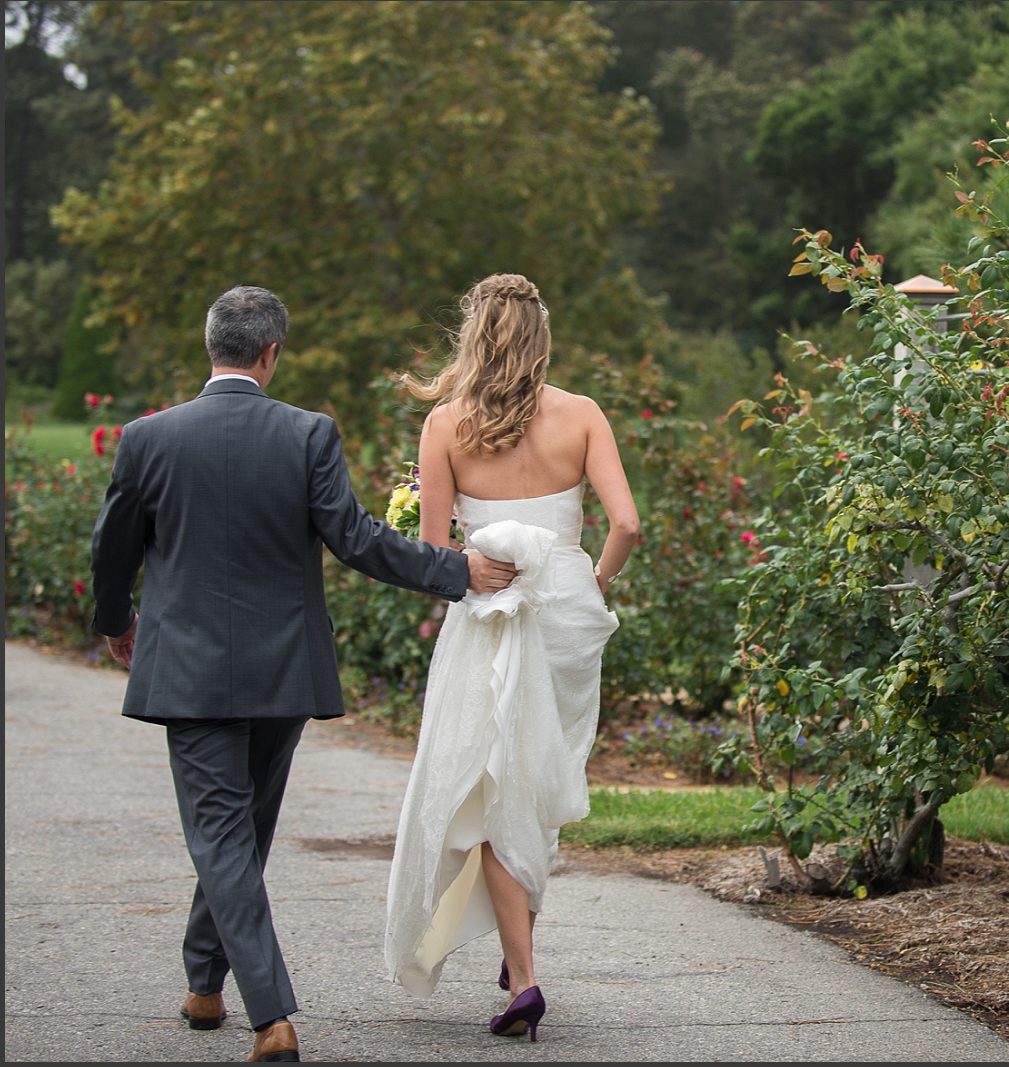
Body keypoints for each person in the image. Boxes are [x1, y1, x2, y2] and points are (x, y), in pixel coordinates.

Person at [90, 286, 520, 1063]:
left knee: (228, 834)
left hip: (187, 670)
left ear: (213, 346)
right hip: (283, 669)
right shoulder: (307, 434)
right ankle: (203, 982)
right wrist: (457, 569)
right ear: (271, 353)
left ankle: (271, 1019)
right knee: (238, 831)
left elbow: (112, 547)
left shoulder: (146, 439)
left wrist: (119, 621)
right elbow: (355, 540)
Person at [383, 273, 638, 1042]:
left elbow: (433, 553)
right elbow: (626, 522)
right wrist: (587, 580)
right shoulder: (582, 415)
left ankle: (522, 976)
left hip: (488, 607)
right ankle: (517, 941)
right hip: (563, 606)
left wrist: (471, 556)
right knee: (539, 774)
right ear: (541, 335)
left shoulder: (446, 424)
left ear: (475, 334)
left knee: (492, 785)